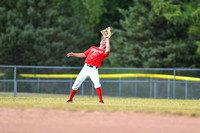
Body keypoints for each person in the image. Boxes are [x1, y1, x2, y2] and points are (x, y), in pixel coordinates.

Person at [66, 36, 110, 103]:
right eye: (103, 39)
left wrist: (107, 39)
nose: (103, 40)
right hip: (85, 68)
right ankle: (70, 99)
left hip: (94, 70)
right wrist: (73, 54)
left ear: (106, 44)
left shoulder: (103, 52)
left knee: (97, 84)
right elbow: (83, 54)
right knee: (76, 84)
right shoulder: (93, 48)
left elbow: (108, 51)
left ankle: (101, 100)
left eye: (105, 40)